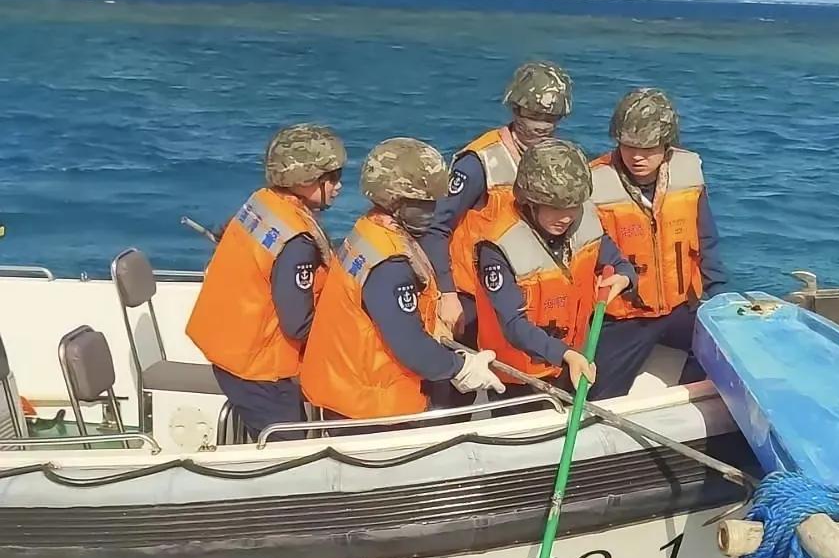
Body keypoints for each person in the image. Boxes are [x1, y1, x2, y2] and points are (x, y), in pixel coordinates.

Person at [300, 138, 504, 424]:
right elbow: (409, 344)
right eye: (424, 205)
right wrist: (460, 368)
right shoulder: (390, 265)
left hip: (347, 385)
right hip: (370, 405)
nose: (433, 212)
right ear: (395, 202)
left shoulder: (368, 231)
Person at [185, 124, 345, 440]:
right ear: (306, 180)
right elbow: (298, 325)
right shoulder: (296, 242)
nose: (339, 186)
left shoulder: (262, 203)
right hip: (261, 370)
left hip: (229, 350)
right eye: (332, 177)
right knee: (290, 454)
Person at [421, 61, 574, 348]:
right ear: (516, 110)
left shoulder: (559, 160)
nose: (542, 125)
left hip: (525, 296)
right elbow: (436, 227)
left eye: (551, 118)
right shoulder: (480, 163)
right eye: (534, 115)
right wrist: (447, 293)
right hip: (472, 296)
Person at [589, 88, 728, 399]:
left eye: (648, 149)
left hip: (681, 307)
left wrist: (719, 294)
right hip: (623, 316)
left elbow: (706, 238)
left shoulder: (689, 171)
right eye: (628, 147)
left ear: (667, 146)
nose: (637, 157)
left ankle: (691, 396)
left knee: (730, 353)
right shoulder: (594, 182)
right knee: (597, 395)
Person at [473, 139, 633, 405]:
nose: (566, 217)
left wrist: (624, 277)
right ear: (530, 202)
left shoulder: (585, 221)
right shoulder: (497, 248)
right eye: (555, 208)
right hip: (520, 377)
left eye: (572, 207)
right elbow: (513, 326)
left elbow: (617, 261)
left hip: (574, 359)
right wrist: (565, 354)